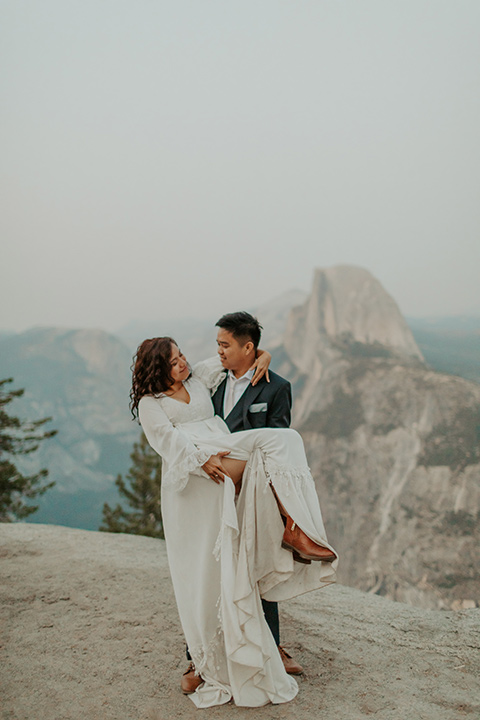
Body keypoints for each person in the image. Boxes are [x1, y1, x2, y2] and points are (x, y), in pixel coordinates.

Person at [133, 336, 337, 708]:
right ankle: (202, 659)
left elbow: (240, 355)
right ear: (158, 369)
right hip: (193, 482)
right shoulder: (152, 404)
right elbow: (165, 442)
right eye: (175, 361)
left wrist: (265, 354)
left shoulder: (199, 378)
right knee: (203, 570)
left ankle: (296, 526)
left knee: (285, 440)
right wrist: (199, 459)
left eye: (182, 356)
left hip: (222, 457)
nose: (183, 363)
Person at [181, 311, 302, 695]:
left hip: (251, 493)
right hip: (208, 490)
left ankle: (272, 645)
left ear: (248, 348)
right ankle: (199, 656)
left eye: (225, 345)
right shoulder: (210, 382)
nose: (218, 351)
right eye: (217, 344)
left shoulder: (276, 386)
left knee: (255, 565)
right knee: (211, 571)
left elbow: (278, 444)